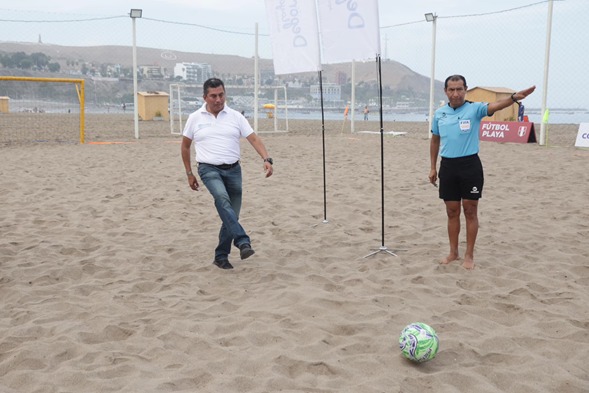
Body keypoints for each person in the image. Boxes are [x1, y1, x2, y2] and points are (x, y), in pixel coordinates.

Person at [428, 74, 535, 270]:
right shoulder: (439, 114)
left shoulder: (474, 109)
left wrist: (513, 98)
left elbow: (495, 107)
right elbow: (435, 140)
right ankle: (453, 252)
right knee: (452, 212)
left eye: (459, 89)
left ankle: (469, 255)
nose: (456, 93)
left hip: (470, 166)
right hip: (448, 167)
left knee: (470, 211)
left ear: (465, 89)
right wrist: (433, 167)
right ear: (446, 91)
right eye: (451, 89)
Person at [181, 78, 274, 270]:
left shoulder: (235, 116)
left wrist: (266, 158)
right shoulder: (194, 118)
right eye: (213, 96)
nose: (218, 99)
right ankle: (242, 241)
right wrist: (190, 173)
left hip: (233, 170)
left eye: (221, 95)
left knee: (231, 214)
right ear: (205, 97)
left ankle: (221, 256)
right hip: (208, 169)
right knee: (222, 200)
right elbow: (185, 146)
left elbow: (253, 138)